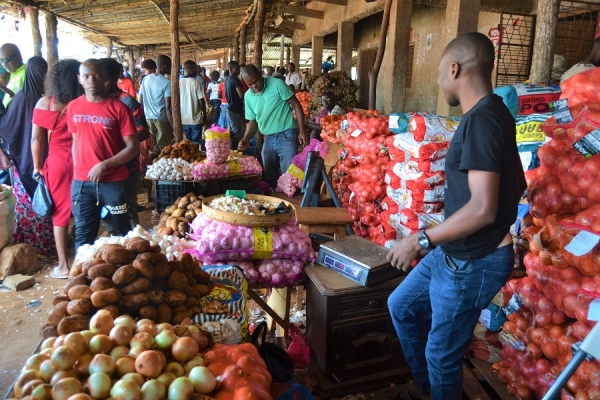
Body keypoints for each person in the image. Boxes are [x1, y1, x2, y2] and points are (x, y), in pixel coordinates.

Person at [386, 32, 526, 400]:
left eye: (438, 72)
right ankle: (427, 389)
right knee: (400, 305)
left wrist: (420, 239)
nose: (438, 81)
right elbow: (519, 183)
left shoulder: (482, 120)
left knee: (441, 354)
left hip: (474, 261)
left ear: (455, 68)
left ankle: (436, 389)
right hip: (457, 252)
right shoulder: (493, 114)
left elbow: (482, 208)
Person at [67, 59, 139, 253]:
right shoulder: (73, 107)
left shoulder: (119, 108)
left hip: (113, 182)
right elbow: (75, 141)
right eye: (86, 77)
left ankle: (120, 277)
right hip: (82, 182)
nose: (91, 81)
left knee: (120, 233)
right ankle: (80, 277)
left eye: (97, 76)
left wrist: (104, 165)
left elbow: (132, 148)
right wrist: (77, 171)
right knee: (83, 233)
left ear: (105, 78)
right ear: (79, 79)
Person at [31, 59, 83, 278]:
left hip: (57, 163)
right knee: (82, 211)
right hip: (82, 160)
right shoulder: (83, 103)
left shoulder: (44, 103)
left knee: (60, 214)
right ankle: (83, 261)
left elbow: (36, 138)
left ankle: (63, 266)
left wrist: (37, 167)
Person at [0, 56, 56, 255]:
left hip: (25, 160)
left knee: (29, 202)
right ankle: (50, 243)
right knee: (49, 198)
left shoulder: (21, 98)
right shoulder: (49, 100)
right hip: (48, 159)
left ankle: (33, 244)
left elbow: (6, 124)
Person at [238, 64, 308, 189]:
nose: (254, 86)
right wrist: (246, 138)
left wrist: (302, 131)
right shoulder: (248, 96)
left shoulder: (277, 84)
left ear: (261, 75)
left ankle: (291, 205)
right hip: (268, 138)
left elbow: (296, 105)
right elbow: (253, 121)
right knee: (269, 177)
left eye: (256, 81)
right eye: (249, 84)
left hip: (287, 135)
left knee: (290, 177)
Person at [100, 57, 149, 231]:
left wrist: (121, 141)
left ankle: (134, 238)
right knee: (108, 209)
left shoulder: (127, 102)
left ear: (114, 78)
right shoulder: (95, 103)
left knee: (127, 207)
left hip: (127, 166)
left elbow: (144, 130)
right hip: (104, 167)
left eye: (102, 78)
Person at [139, 55, 175, 157]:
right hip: (162, 121)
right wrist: (174, 127)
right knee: (165, 151)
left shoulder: (145, 80)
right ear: (165, 66)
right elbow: (168, 108)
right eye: (170, 66)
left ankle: (151, 171)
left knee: (153, 150)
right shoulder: (167, 83)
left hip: (148, 119)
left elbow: (140, 102)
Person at [179, 60, 205, 144]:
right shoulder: (196, 83)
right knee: (195, 144)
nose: (197, 71)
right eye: (195, 69)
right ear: (190, 69)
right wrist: (204, 115)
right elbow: (201, 101)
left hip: (183, 120)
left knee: (187, 144)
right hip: (196, 120)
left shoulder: (178, 83)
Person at [226, 61, 246, 150]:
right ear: (231, 69)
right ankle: (238, 152)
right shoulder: (235, 80)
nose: (238, 70)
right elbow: (241, 94)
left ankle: (233, 150)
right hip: (235, 109)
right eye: (236, 69)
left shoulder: (227, 79)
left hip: (230, 108)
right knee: (239, 133)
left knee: (232, 132)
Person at [0, 43, 25, 108]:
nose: (4, 64)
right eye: (2, 60)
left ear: (19, 56)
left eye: (7, 59)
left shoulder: (26, 72)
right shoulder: (14, 72)